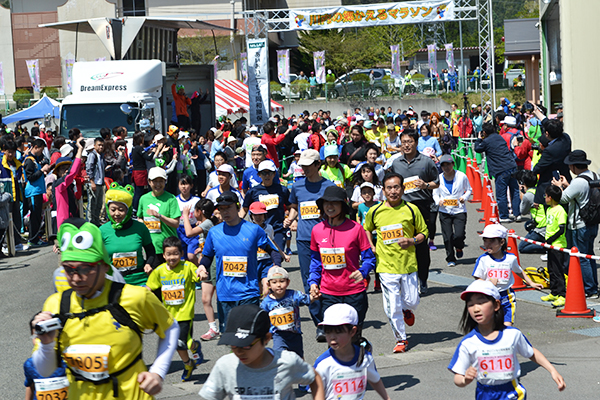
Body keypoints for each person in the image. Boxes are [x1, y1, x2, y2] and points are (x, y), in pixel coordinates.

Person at [30, 219, 179, 399]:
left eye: (85, 269)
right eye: (68, 269)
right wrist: (46, 344)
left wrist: (157, 372)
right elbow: (44, 370)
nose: (76, 278)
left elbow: (170, 327)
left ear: (103, 266)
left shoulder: (134, 297)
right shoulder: (55, 305)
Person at [448, 280, 565, 398]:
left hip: (512, 392)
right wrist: (465, 380)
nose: (476, 309)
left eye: (481, 302)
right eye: (470, 304)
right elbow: (457, 377)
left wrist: (552, 370)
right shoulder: (468, 342)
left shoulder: (512, 335)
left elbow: (531, 352)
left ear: (496, 305)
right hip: (485, 394)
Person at [199, 304, 324, 400]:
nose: (239, 352)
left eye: (246, 346)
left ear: (267, 339)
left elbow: (314, 378)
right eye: (234, 346)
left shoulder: (287, 362)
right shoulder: (225, 365)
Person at [197, 191, 282, 332]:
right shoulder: (214, 232)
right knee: (230, 338)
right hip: (225, 294)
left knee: (249, 336)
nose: (225, 212)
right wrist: (201, 267)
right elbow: (207, 256)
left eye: (228, 207)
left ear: (238, 207)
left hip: (248, 293)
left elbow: (273, 250)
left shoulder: (253, 230)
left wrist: (276, 267)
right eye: (222, 209)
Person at [363, 173, 427, 353]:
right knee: (392, 305)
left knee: (412, 300)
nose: (393, 191)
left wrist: (412, 241)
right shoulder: (375, 211)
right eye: (389, 188)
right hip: (385, 266)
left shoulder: (412, 209)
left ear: (403, 189)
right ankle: (401, 339)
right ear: (383, 191)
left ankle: (408, 310)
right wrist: (371, 246)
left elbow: (423, 233)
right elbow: (367, 229)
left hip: (408, 264)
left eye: (396, 187)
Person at [308, 186, 375, 333]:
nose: (329, 206)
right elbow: (315, 261)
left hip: (354, 292)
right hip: (328, 294)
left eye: (334, 203)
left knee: (354, 337)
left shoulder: (356, 229)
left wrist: (363, 271)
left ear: (343, 205)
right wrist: (313, 282)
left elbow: (369, 258)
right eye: (326, 203)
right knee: (334, 339)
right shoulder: (317, 230)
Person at [284, 149, 336, 340]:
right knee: (309, 282)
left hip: (328, 239)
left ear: (317, 165)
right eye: (302, 166)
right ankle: (320, 323)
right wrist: (291, 219)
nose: (304, 169)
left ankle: (332, 317)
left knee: (329, 278)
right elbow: (293, 206)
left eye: (308, 166)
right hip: (305, 240)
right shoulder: (297, 187)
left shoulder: (329, 187)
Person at [146, 236, 204, 381]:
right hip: (169, 315)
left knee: (183, 342)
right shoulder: (159, 271)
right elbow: (149, 287)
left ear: (181, 254)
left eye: (175, 254)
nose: (172, 257)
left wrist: (201, 273)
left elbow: (198, 275)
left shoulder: (187, 267)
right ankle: (188, 364)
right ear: (164, 255)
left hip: (185, 313)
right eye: (169, 254)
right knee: (177, 345)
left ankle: (195, 348)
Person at [390, 129, 439, 294]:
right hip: (402, 208)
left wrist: (425, 185)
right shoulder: (396, 163)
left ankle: (423, 279)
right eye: (403, 142)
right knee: (402, 243)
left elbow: (436, 183)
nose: (406, 145)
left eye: (409, 141)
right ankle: (405, 279)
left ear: (416, 143)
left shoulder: (426, 162)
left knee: (420, 244)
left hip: (422, 206)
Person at [315, 304, 391, 400]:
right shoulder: (322, 363)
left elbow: (375, 380)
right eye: (328, 332)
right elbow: (316, 392)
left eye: (338, 332)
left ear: (352, 331)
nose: (332, 337)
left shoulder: (365, 357)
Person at [473, 224, 543, 326]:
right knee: (490, 325)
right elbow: (477, 277)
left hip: (507, 296)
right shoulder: (483, 260)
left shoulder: (511, 258)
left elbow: (519, 271)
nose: (487, 244)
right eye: (485, 240)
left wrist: (531, 283)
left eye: (491, 241)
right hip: (488, 296)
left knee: (507, 326)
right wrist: (487, 283)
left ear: (502, 242)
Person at [552, 150, 599, 298]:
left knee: (582, 257)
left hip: (580, 224)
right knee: (590, 254)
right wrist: (568, 184)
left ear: (573, 166)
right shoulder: (594, 176)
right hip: (593, 221)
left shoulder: (578, 181)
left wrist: (560, 186)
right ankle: (593, 286)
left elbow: (563, 199)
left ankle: (590, 289)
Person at [101, 183, 155, 286]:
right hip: (113, 282)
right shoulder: (102, 230)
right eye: (113, 210)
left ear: (128, 210)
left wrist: (148, 264)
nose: (117, 214)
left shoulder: (140, 228)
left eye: (121, 210)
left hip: (139, 280)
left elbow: (150, 250)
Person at [182, 199, 220, 340]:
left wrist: (185, 215)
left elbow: (189, 233)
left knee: (217, 297)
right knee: (205, 299)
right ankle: (213, 328)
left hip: (214, 263)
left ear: (200, 212)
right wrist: (202, 249)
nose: (193, 214)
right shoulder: (207, 223)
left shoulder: (208, 222)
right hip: (206, 261)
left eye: (194, 211)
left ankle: (222, 326)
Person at [260, 266, 315, 360]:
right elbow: (262, 318)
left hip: (295, 334)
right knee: (278, 356)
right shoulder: (266, 302)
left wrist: (314, 296)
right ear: (268, 284)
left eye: (282, 281)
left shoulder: (294, 295)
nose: (278, 285)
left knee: (298, 357)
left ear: (288, 282)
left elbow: (307, 299)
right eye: (274, 282)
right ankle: (280, 373)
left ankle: (301, 373)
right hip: (278, 334)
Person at [474, 123, 521, 223]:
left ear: (484, 132)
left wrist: (478, 139)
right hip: (512, 165)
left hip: (501, 169)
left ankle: (504, 216)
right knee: (515, 191)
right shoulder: (499, 137)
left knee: (501, 193)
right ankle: (517, 214)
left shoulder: (486, 141)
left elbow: (477, 149)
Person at [242, 160, 290, 251]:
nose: (267, 176)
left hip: (278, 230)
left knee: (277, 256)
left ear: (274, 174)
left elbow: (291, 207)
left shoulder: (282, 190)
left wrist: (290, 219)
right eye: (264, 173)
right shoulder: (253, 192)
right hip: (258, 229)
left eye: (270, 173)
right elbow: (244, 209)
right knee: (262, 258)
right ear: (259, 175)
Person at [137, 167, 181, 268]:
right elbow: (140, 218)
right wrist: (142, 225)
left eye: (161, 181)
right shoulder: (143, 199)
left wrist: (160, 216)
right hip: (151, 247)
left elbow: (176, 223)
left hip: (168, 248)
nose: (158, 184)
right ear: (149, 182)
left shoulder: (171, 199)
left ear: (165, 182)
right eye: (154, 181)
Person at [433, 154, 472, 267]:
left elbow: (469, 190)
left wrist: (464, 198)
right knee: (447, 236)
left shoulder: (461, 176)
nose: (446, 167)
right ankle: (450, 257)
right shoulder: (438, 178)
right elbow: (435, 194)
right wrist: (438, 201)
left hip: (459, 210)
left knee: (459, 235)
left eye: (448, 165)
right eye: (443, 165)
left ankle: (459, 246)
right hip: (444, 211)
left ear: (453, 164)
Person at [531, 107, 572, 205]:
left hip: (551, 183)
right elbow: (548, 124)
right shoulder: (566, 138)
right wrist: (536, 111)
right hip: (565, 178)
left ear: (547, 134)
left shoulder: (550, 150)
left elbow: (538, 169)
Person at [538, 185, 569, 307]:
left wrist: (550, 240)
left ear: (550, 197)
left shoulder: (560, 210)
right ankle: (554, 292)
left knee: (558, 270)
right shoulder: (549, 209)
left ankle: (562, 295)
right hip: (550, 245)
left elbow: (561, 229)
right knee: (551, 269)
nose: (544, 198)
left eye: (545, 196)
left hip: (557, 245)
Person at [518, 170, 547, 254]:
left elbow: (522, 211)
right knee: (527, 225)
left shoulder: (528, 195)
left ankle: (546, 246)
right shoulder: (539, 189)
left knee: (522, 247)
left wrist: (522, 195)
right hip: (546, 223)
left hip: (541, 226)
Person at [175, 175, 200, 263]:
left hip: (192, 230)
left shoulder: (196, 200)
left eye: (186, 184)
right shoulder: (175, 200)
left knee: (191, 255)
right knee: (183, 256)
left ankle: (200, 269)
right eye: (181, 184)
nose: (184, 187)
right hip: (179, 230)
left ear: (191, 185)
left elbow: (201, 215)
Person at [85, 137, 106, 227]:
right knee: (92, 204)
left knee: (99, 204)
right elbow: (89, 169)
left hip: (100, 182)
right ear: (94, 146)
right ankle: (89, 223)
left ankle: (96, 222)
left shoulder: (101, 155)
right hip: (94, 183)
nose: (101, 147)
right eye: (99, 145)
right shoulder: (92, 155)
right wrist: (92, 182)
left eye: (102, 145)